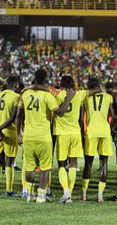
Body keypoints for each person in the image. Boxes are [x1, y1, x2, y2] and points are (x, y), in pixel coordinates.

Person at [17, 69, 74, 203]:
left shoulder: (25, 94)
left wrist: (18, 133)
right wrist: (69, 98)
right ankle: (41, 195)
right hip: (43, 136)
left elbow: (18, 116)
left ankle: (29, 194)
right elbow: (59, 112)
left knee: (29, 167)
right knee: (45, 168)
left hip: (29, 136)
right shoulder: (47, 96)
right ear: (46, 79)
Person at [52, 75, 88, 203]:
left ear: (61, 84)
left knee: (62, 164)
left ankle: (66, 191)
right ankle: (69, 195)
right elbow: (95, 90)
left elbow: (55, 111)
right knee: (73, 163)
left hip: (62, 134)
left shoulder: (58, 95)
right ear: (73, 84)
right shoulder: (79, 94)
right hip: (76, 133)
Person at [81, 77, 116, 203]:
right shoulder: (108, 97)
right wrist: (110, 128)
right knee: (104, 164)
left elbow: (81, 118)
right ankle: (100, 195)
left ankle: (84, 194)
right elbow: (115, 116)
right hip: (104, 132)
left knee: (88, 164)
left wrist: (82, 132)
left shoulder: (86, 97)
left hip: (91, 132)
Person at [0, 76, 21, 197]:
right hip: (9, 132)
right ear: (16, 86)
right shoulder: (16, 97)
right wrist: (1, 129)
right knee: (10, 161)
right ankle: (8, 190)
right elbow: (13, 117)